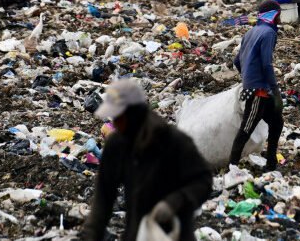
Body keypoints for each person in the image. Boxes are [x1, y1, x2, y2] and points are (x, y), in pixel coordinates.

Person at [82, 79, 212, 241]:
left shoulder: (174, 141)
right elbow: (104, 196)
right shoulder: (117, 145)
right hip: (136, 233)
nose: (115, 122)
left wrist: (174, 202)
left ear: (134, 114)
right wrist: (90, 234)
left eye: (119, 117)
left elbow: (203, 181)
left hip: (175, 233)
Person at [230, 0, 284, 171]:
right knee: (246, 128)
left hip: (259, 88)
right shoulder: (268, 33)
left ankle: (271, 164)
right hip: (259, 91)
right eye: (279, 15)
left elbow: (237, 61)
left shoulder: (251, 32)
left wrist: (247, 76)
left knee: (277, 122)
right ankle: (232, 168)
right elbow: (266, 64)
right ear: (273, 15)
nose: (280, 19)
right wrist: (275, 90)